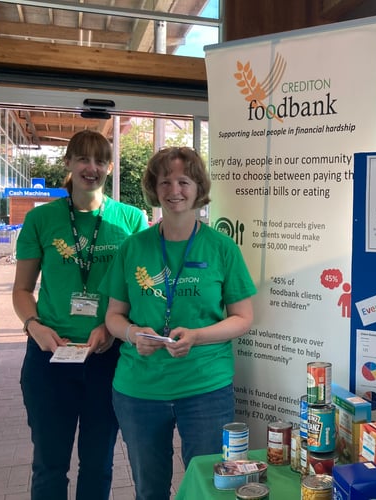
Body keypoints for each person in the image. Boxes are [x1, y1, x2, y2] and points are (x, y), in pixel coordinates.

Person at [100, 147, 256, 499]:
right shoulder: (133, 247)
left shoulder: (221, 248)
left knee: (211, 489)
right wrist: (131, 334)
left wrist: (198, 336)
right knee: (149, 489)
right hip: (139, 390)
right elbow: (113, 315)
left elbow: (244, 318)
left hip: (205, 389)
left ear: (199, 188)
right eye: (165, 181)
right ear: (153, 189)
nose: (174, 190)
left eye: (184, 181)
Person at [13, 130, 149, 499]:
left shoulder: (131, 219)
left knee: (98, 462)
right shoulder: (42, 219)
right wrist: (34, 326)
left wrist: (112, 328)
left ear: (110, 166)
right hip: (49, 355)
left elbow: (140, 291)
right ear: (69, 163)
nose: (92, 168)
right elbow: (22, 290)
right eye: (83, 159)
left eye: (100, 160)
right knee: (49, 464)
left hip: (108, 358)